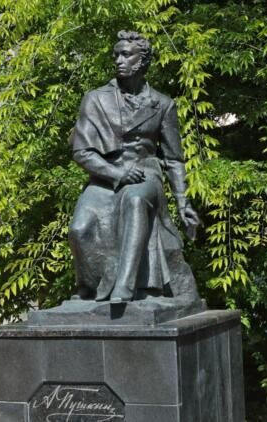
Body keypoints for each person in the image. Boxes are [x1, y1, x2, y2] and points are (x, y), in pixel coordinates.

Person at [68, 30, 201, 303]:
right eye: (116, 55)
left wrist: (183, 202)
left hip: (144, 174)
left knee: (136, 200)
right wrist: (117, 173)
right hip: (106, 176)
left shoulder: (163, 104)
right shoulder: (95, 99)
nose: (119, 60)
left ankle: (124, 288)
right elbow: (82, 152)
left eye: (126, 55)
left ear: (142, 61)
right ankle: (94, 287)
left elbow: (173, 159)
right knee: (79, 230)